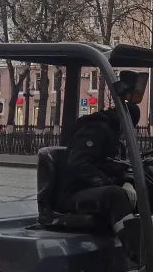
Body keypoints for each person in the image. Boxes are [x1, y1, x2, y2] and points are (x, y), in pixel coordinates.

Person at [56, 75, 141, 236]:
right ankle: (133, 245)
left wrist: (127, 181)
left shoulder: (114, 138)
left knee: (145, 189)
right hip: (74, 192)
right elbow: (79, 165)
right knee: (115, 196)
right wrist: (112, 184)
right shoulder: (95, 130)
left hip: (92, 190)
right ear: (125, 122)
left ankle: (152, 237)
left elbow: (115, 166)